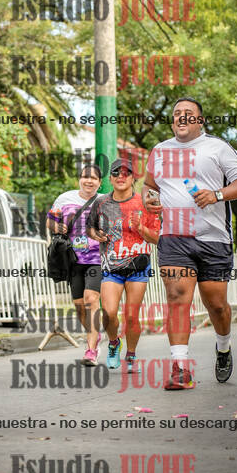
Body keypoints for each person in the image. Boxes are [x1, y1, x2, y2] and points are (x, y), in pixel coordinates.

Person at [142, 97, 237, 389]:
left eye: (188, 113)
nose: (181, 117)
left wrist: (216, 195)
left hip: (213, 239)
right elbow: (150, 185)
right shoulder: (160, 151)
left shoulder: (217, 147)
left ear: (200, 121)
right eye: (177, 113)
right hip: (173, 238)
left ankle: (223, 346)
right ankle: (180, 369)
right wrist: (149, 198)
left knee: (216, 305)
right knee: (177, 297)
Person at [87, 158, 160, 373]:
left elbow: (157, 238)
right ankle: (113, 343)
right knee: (109, 313)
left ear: (133, 178)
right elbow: (90, 228)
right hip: (111, 267)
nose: (121, 176)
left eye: (126, 173)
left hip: (138, 266)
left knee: (131, 315)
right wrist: (96, 235)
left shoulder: (145, 203)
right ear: (110, 179)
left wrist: (141, 229)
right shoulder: (101, 203)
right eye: (116, 173)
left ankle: (131, 354)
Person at [47, 165, 102, 366]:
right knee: (79, 306)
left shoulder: (104, 201)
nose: (89, 181)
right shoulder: (64, 199)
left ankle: (91, 350)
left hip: (97, 259)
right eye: (85, 177)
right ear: (79, 179)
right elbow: (50, 221)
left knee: (91, 299)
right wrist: (57, 226)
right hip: (73, 260)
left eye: (94, 178)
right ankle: (94, 335)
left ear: (99, 182)